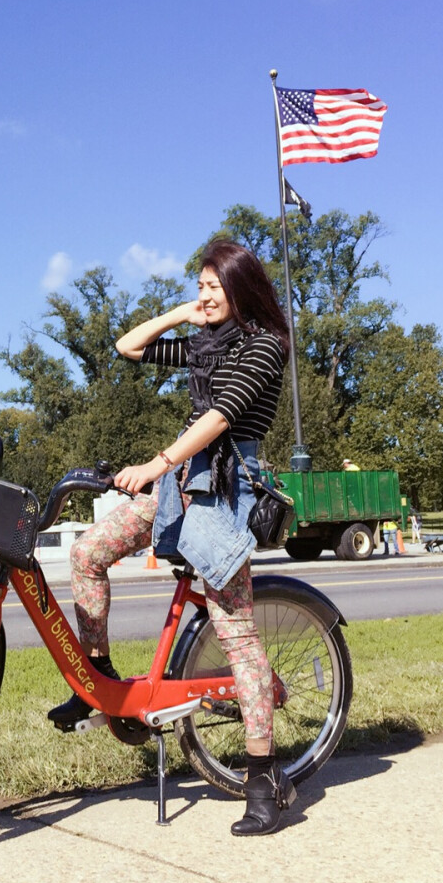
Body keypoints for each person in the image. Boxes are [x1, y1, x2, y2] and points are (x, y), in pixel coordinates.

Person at [48, 238, 294, 837]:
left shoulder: (266, 345)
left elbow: (219, 419)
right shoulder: (203, 344)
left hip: (225, 488)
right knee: (87, 553)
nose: (205, 295)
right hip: (179, 482)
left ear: (242, 290)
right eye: (202, 285)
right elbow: (128, 346)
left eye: (214, 287)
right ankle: (98, 683)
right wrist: (186, 311)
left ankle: (262, 779)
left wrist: (157, 464)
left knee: (235, 632)